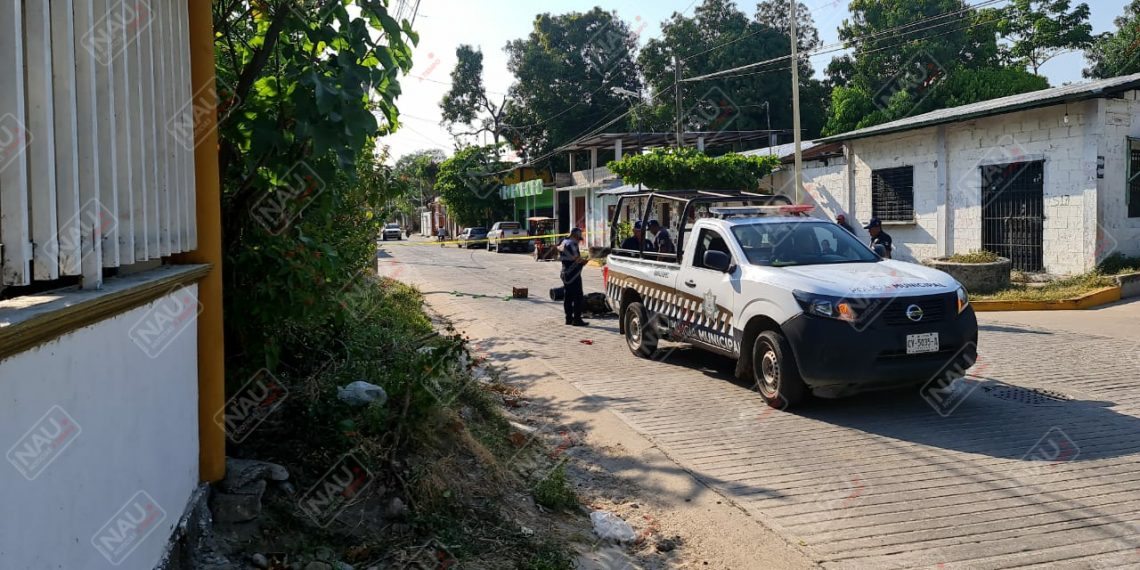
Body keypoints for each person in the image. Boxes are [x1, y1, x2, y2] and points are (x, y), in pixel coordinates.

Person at [558, 227, 588, 326]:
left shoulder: (563, 241)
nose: (579, 241)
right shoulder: (572, 244)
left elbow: (559, 251)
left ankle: (568, 319)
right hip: (573, 275)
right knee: (578, 297)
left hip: (565, 272)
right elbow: (577, 259)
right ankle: (577, 320)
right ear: (575, 236)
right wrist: (584, 261)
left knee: (568, 296)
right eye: (578, 239)